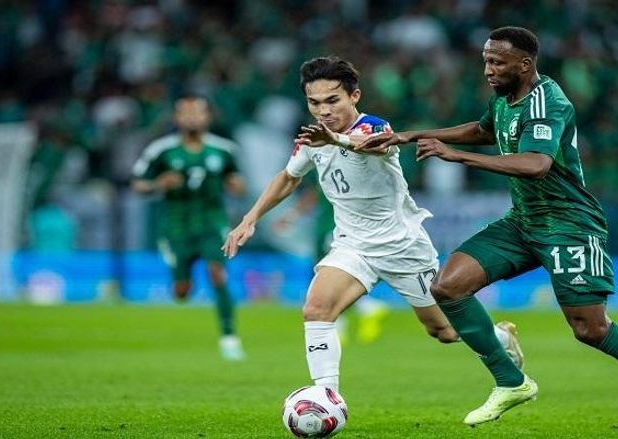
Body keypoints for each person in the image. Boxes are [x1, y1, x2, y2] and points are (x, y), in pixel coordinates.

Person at [359, 27, 618, 439]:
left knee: (591, 329)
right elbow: (485, 130)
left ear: (524, 64)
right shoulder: (504, 97)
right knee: (448, 286)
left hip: (569, 224)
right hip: (524, 221)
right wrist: (414, 135)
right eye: (485, 60)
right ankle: (511, 381)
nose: (487, 70)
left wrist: (456, 157)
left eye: (497, 62)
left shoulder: (549, 102)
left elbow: (535, 164)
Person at [222, 56, 523, 391]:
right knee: (317, 309)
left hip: (402, 246)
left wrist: (334, 140)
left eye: (332, 100)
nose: (323, 111)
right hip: (352, 246)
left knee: (444, 331)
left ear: (354, 96)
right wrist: (250, 219)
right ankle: (326, 396)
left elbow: (371, 148)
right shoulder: (313, 138)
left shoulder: (375, 127)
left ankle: (499, 336)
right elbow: (289, 177)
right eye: (314, 103)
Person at [132, 93, 246, 361]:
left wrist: (236, 186)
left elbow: (238, 184)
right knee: (182, 291)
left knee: (217, 273)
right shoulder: (161, 150)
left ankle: (229, 338)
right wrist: (158, 184)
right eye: (186, 112)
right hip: (176, 227)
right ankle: (182, 282)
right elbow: (137, 183)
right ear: (177, 117)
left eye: (198, 112)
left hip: (212, 223)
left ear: (208, 117)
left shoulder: (224, 150)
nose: (192, 117)